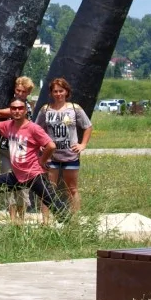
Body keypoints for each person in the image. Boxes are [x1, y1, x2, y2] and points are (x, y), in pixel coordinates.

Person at [0, 99, 67, 219]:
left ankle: (69, 223)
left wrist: (42, 161)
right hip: (16, 176)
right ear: (10, 110)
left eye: (20, 108)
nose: (17, 111)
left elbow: (51, 146)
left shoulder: (33, 128)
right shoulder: (9, 125)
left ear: (25, 110)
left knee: (55, 205)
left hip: (33, 175)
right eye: (14, 108)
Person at [0, 76, 35, 223]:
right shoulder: (12, 103)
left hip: (21, 152)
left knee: (22, 186)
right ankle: (13, 219)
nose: (20, 93)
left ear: (28, 93)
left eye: (23, 91)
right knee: (8, 184)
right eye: (18, 90)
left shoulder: (24, 108)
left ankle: (21, 219)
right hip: (6, 150)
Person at [36, 77, 92, 215]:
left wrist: (83, 144)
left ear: (66, 91)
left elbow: (87, 126)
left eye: (61, 91)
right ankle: (46, 220)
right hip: (51, 156)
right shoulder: (45, 110)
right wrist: (40, 144)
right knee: (48, 189)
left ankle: (75, 218)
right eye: (55, 91)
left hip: (70, 155)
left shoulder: (75, 109)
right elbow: (37, 129)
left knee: (72, 189)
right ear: (51, 93)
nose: (58, 94)